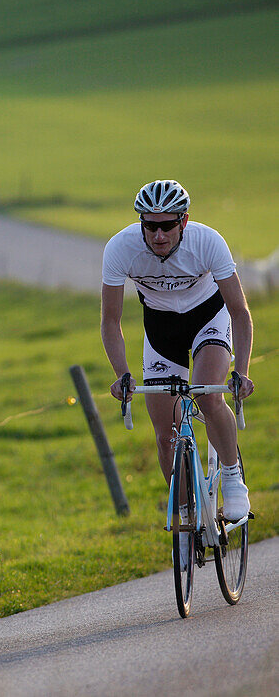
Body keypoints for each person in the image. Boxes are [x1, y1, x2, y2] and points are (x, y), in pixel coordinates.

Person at [101, 180, 253, 561]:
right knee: (164, 432)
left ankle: (233, 477)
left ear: (184, 222)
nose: (157, 234)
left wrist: (243, 370)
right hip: (161, 329)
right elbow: (110, 321)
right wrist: (122, 373)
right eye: (149, 225)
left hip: (209, 319)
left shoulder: (207, 242)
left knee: (206, 393)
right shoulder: (121, 248)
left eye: (167, 225)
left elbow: (240, 312)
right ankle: (185, 518)